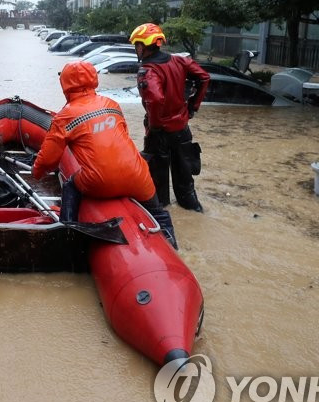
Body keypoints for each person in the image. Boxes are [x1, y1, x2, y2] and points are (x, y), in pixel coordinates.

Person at [31, 60, 178, 248]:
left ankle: (66, 231)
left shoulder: (65, 116)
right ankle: (172, 246)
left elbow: (48, 160)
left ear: (65, 84)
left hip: (99, 182)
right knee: (158, 213)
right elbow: (122, 136)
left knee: (70, 185)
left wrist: (36, 173)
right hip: (138, 176)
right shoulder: (112, 104)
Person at [131, 22, 210, 213]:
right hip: (182, 128)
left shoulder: (148, 71)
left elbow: (156, 99)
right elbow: (204, 77)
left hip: (159, 132)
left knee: (157, 181)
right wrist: (192, 107)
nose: (136, 50)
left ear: (142, 46)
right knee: (185, 176)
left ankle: (160, 214)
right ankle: (192, 209)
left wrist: (155, 125)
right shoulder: (179, 61)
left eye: (136, 46)